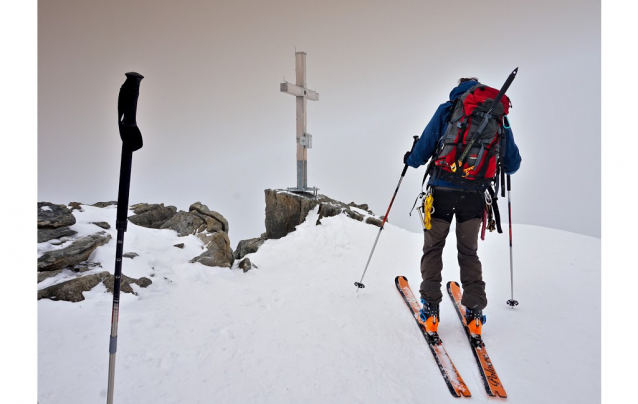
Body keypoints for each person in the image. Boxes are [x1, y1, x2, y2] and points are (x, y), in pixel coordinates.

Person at [404, 77, 522, 337]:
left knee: (433, 248)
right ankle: (475, 313)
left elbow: (423, 148)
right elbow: (512, 164)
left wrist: (410, 159)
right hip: (474, 195)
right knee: (468, 252)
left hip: (441, 191)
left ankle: (431, 310)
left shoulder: (448, 109)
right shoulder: (498, 116)